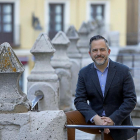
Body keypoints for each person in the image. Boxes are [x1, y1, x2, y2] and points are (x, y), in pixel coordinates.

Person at [65, 35, 137, 140]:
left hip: (117, 125)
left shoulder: (123, 71)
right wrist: (95, 118)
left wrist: (112, 120)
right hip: (95, 121)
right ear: (90, 54)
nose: (99, 53)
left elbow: (130, 100)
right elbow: (80, 100)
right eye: (95, 50)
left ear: (109, 51)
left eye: (102, 50)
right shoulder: (84, 73)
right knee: (67, 118)